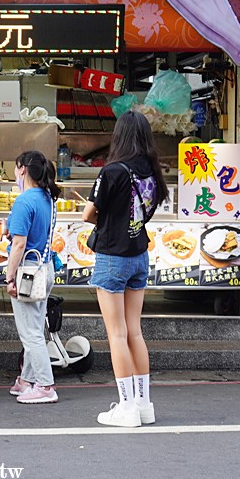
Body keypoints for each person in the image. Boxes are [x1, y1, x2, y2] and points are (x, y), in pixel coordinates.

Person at [82, 111, 167, 427]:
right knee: (134, 331)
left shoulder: (112, 171)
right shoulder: (151, 173)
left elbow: (88, 214)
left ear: (119, 136)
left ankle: (127, 408)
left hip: (112, 256)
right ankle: (144, 405)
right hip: (138, 253)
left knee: (116, 334)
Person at [4, 150, 61, 404]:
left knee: (31, 333)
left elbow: (19, 244)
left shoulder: (24, 201)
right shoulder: (48, 199)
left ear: (23, 170)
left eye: (16, 168)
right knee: (35, 328)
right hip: (44, 268)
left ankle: (45, 385)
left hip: (27, 272)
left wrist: (9, 277)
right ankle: (26, 380)